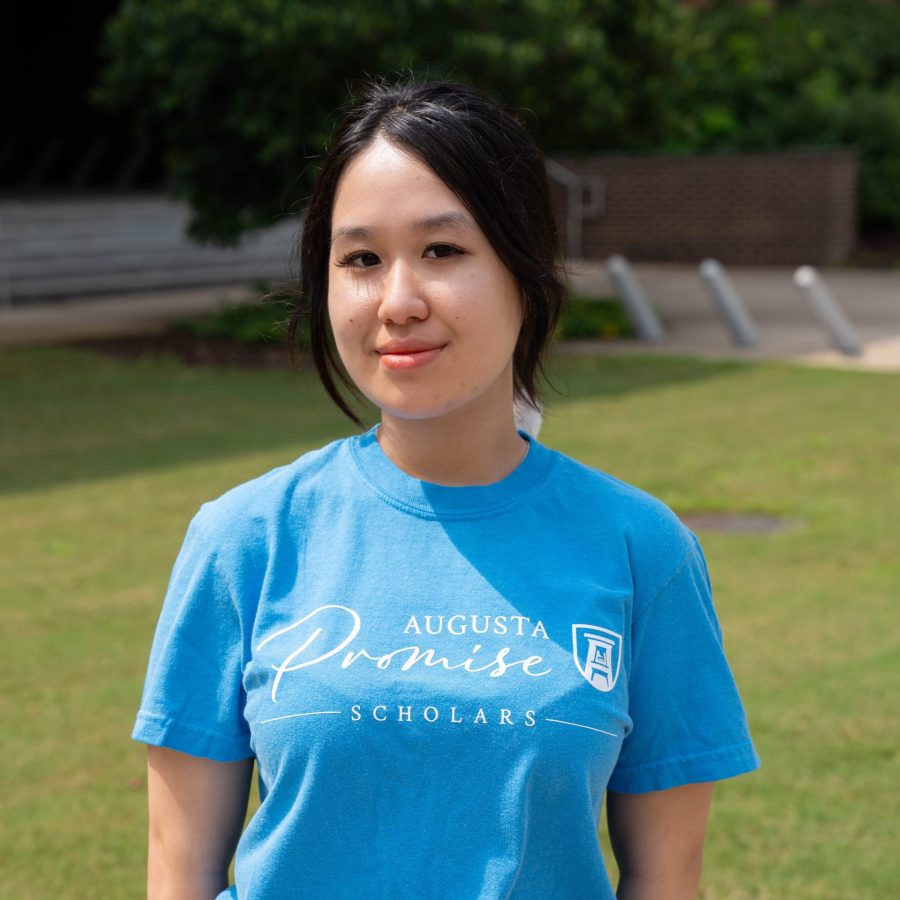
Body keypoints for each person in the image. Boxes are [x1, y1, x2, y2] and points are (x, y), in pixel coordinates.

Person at [133, 79, 760, 900]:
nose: (397, 302)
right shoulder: (242, 539)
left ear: (526, 273)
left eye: (442, 251)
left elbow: (666, 876)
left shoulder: (644, 550)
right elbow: (179, 873)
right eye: (360, 259)